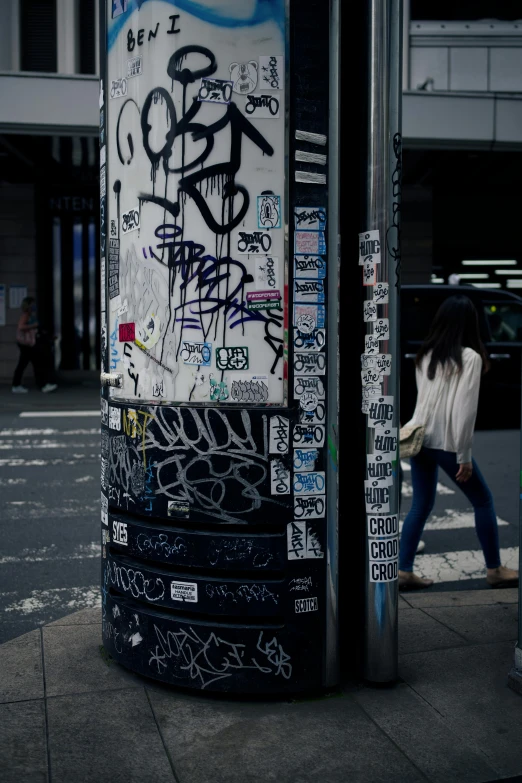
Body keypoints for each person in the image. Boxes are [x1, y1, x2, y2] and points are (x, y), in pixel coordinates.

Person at [399, 294, 518, 590]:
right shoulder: (470, 357)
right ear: (470, 324)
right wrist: (463, 455)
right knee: (483, 500)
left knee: (421, 505)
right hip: (447, 443)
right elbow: (464, 412)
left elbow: (422, 402)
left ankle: (403, 571)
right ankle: (495, 569)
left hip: (420, 438)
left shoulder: (425, 354)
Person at [12, 297, 57, 394]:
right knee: (32, 364)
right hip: (27, 345)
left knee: (29, 364)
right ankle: (41, 385)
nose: (34, 306)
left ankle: (40, 385)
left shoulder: (29, 315)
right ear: (28, 305)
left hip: (28, 344)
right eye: (32, 304)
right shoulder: (25, 316)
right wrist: (34, 325)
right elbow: (21, 327)